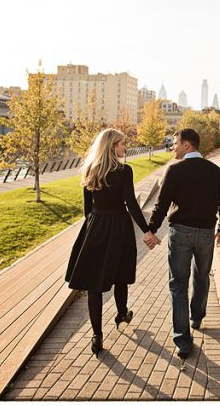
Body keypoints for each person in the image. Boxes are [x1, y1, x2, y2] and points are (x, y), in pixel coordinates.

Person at [143, 128, 220, 359]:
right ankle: (197, 318)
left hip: (180, 234)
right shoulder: (214, 170)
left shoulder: (174, 170)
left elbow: (161, 205)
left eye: (175, 143)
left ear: (187, 145)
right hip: (205, 234)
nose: (172, 147)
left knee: (178, 285)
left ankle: (182, 341)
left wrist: (151, 229)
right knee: (202, 277)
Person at [65, 128, 154, 357]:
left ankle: (97, 335)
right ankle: (122, 313)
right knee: (120, 274)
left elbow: (86, 209)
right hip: (119, 227)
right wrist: (147, 230)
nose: (126, 147)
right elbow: (131, 204)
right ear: (112, 146)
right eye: (123, 144)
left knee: (94, 284)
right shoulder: (124, 171)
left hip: (95, 226)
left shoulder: (89, 170)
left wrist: (94, 225)